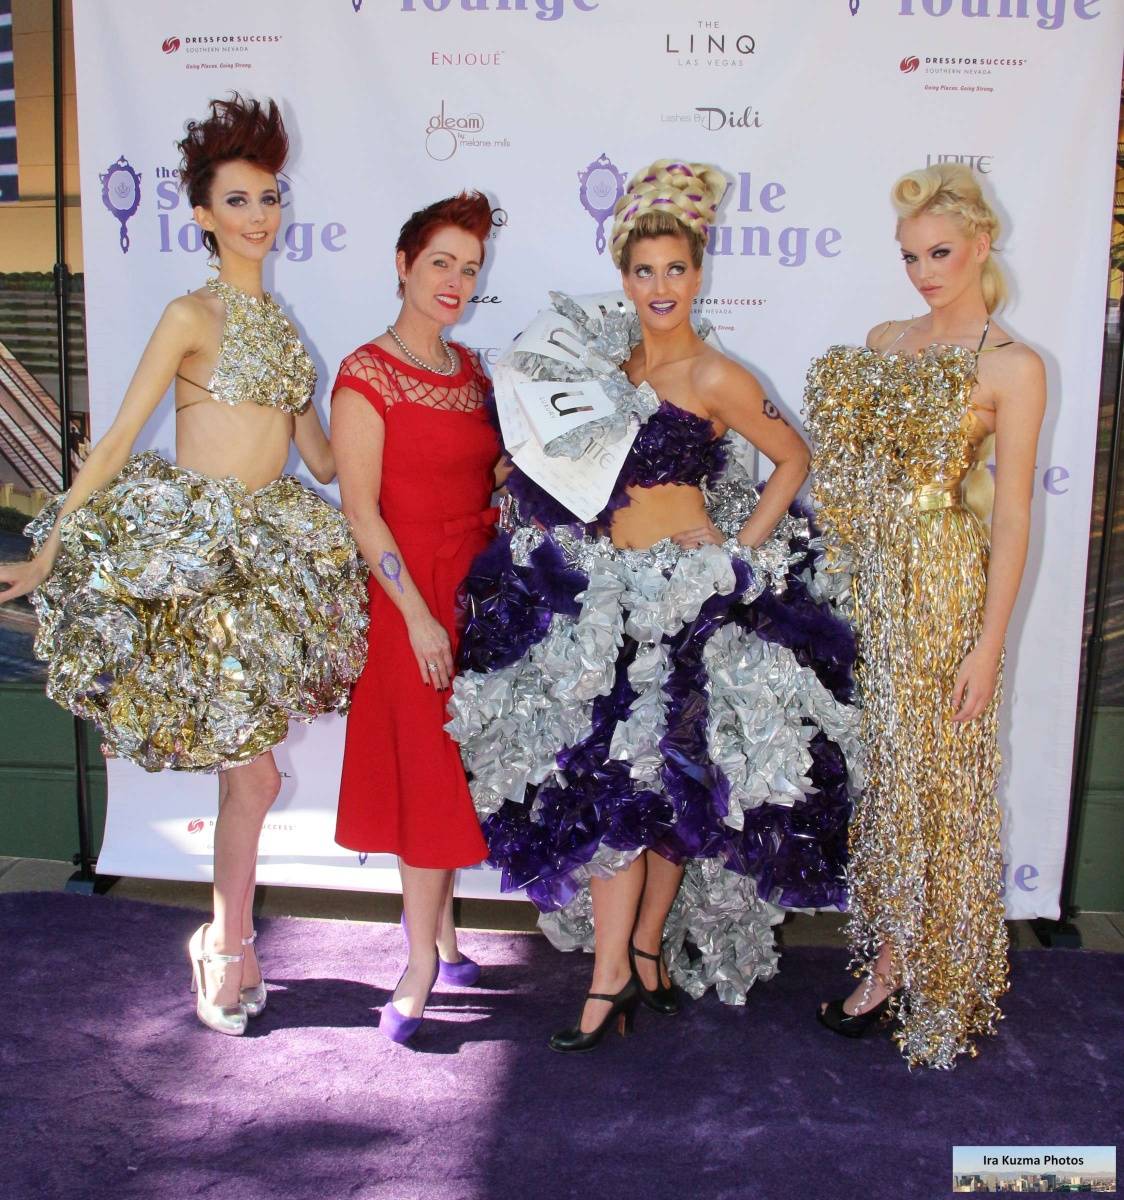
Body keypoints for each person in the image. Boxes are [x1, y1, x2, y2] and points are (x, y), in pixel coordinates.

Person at [447, 159, 861, 1051]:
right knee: (618, 789)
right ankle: (627, 965)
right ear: (624, 277)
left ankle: (629, 961)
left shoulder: (716, 373)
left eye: (676, 269)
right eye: (644, 271)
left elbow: (793, 458)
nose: (661, 286)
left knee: (670, 787)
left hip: (688, 605)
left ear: (698, 274)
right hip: (609, 606)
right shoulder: (605, 368)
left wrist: (736, 553)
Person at [0, 95, 368, 1037]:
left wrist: (403, 418)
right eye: (238, 200)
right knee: (256, 779)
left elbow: (325, 463)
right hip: (200, 563)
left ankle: (224, 940)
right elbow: (119, 440)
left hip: (269, 562)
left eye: (269, 197)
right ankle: (227, 943)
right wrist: (50, 547)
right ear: (203, 214)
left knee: (256, 779)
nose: (259, 214)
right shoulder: (189, 314)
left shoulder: (283, 327)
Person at [805, 163, 1046, 1069]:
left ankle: (915, 968)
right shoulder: (885, 340)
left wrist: (989, 644)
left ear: (982, 244)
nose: (923, 273)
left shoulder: (1013, 365)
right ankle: (894, 948)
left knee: (937, 778)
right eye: (910, 256)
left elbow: (1013, 517)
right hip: (869, 583)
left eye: (940, 253)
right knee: (884, 777)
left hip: (943, 583)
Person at [331, 191, 502, 1044]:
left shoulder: (474, 372)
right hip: (410, 602)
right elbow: (363, 512)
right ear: (403, 265)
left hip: (477, 591)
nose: (456, 281)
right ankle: (417, 963)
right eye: (441, 262)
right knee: (430, 776)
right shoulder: (365, 374)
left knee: (458, 766)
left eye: (469, 268)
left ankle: (446, 935)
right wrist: (417, 617)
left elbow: (487, 475)